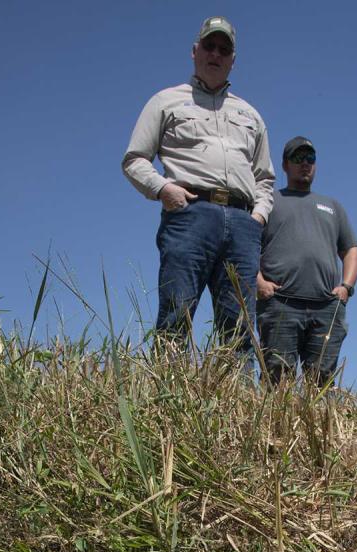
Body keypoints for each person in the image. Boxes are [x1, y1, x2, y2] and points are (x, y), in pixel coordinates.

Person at [122, 16, 275, 354]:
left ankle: (237, 403)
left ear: (233, 60)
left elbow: (264, 177)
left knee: (239, 327)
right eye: (209, 46)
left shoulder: (251, 115)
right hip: (190, 215)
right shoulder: (165, 101)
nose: (215, 54)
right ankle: (167, 396)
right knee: (176, 314)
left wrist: (258, 217)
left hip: (242, 223)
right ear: (195, 51)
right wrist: (165, 190)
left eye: (224, 49)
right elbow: (134, 160)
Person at [256, 136, 357, 383]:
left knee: (322, 382)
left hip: (326, 306)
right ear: (284, 165)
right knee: (278, 381)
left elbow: (351, 250)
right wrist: (259, 282)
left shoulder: (332, 206)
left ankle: (322, 423)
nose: (305, 164)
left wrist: (346, 288)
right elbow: (247, 244)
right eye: (297, 158)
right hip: (280, 303)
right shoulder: (268, 201)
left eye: (310, 159)